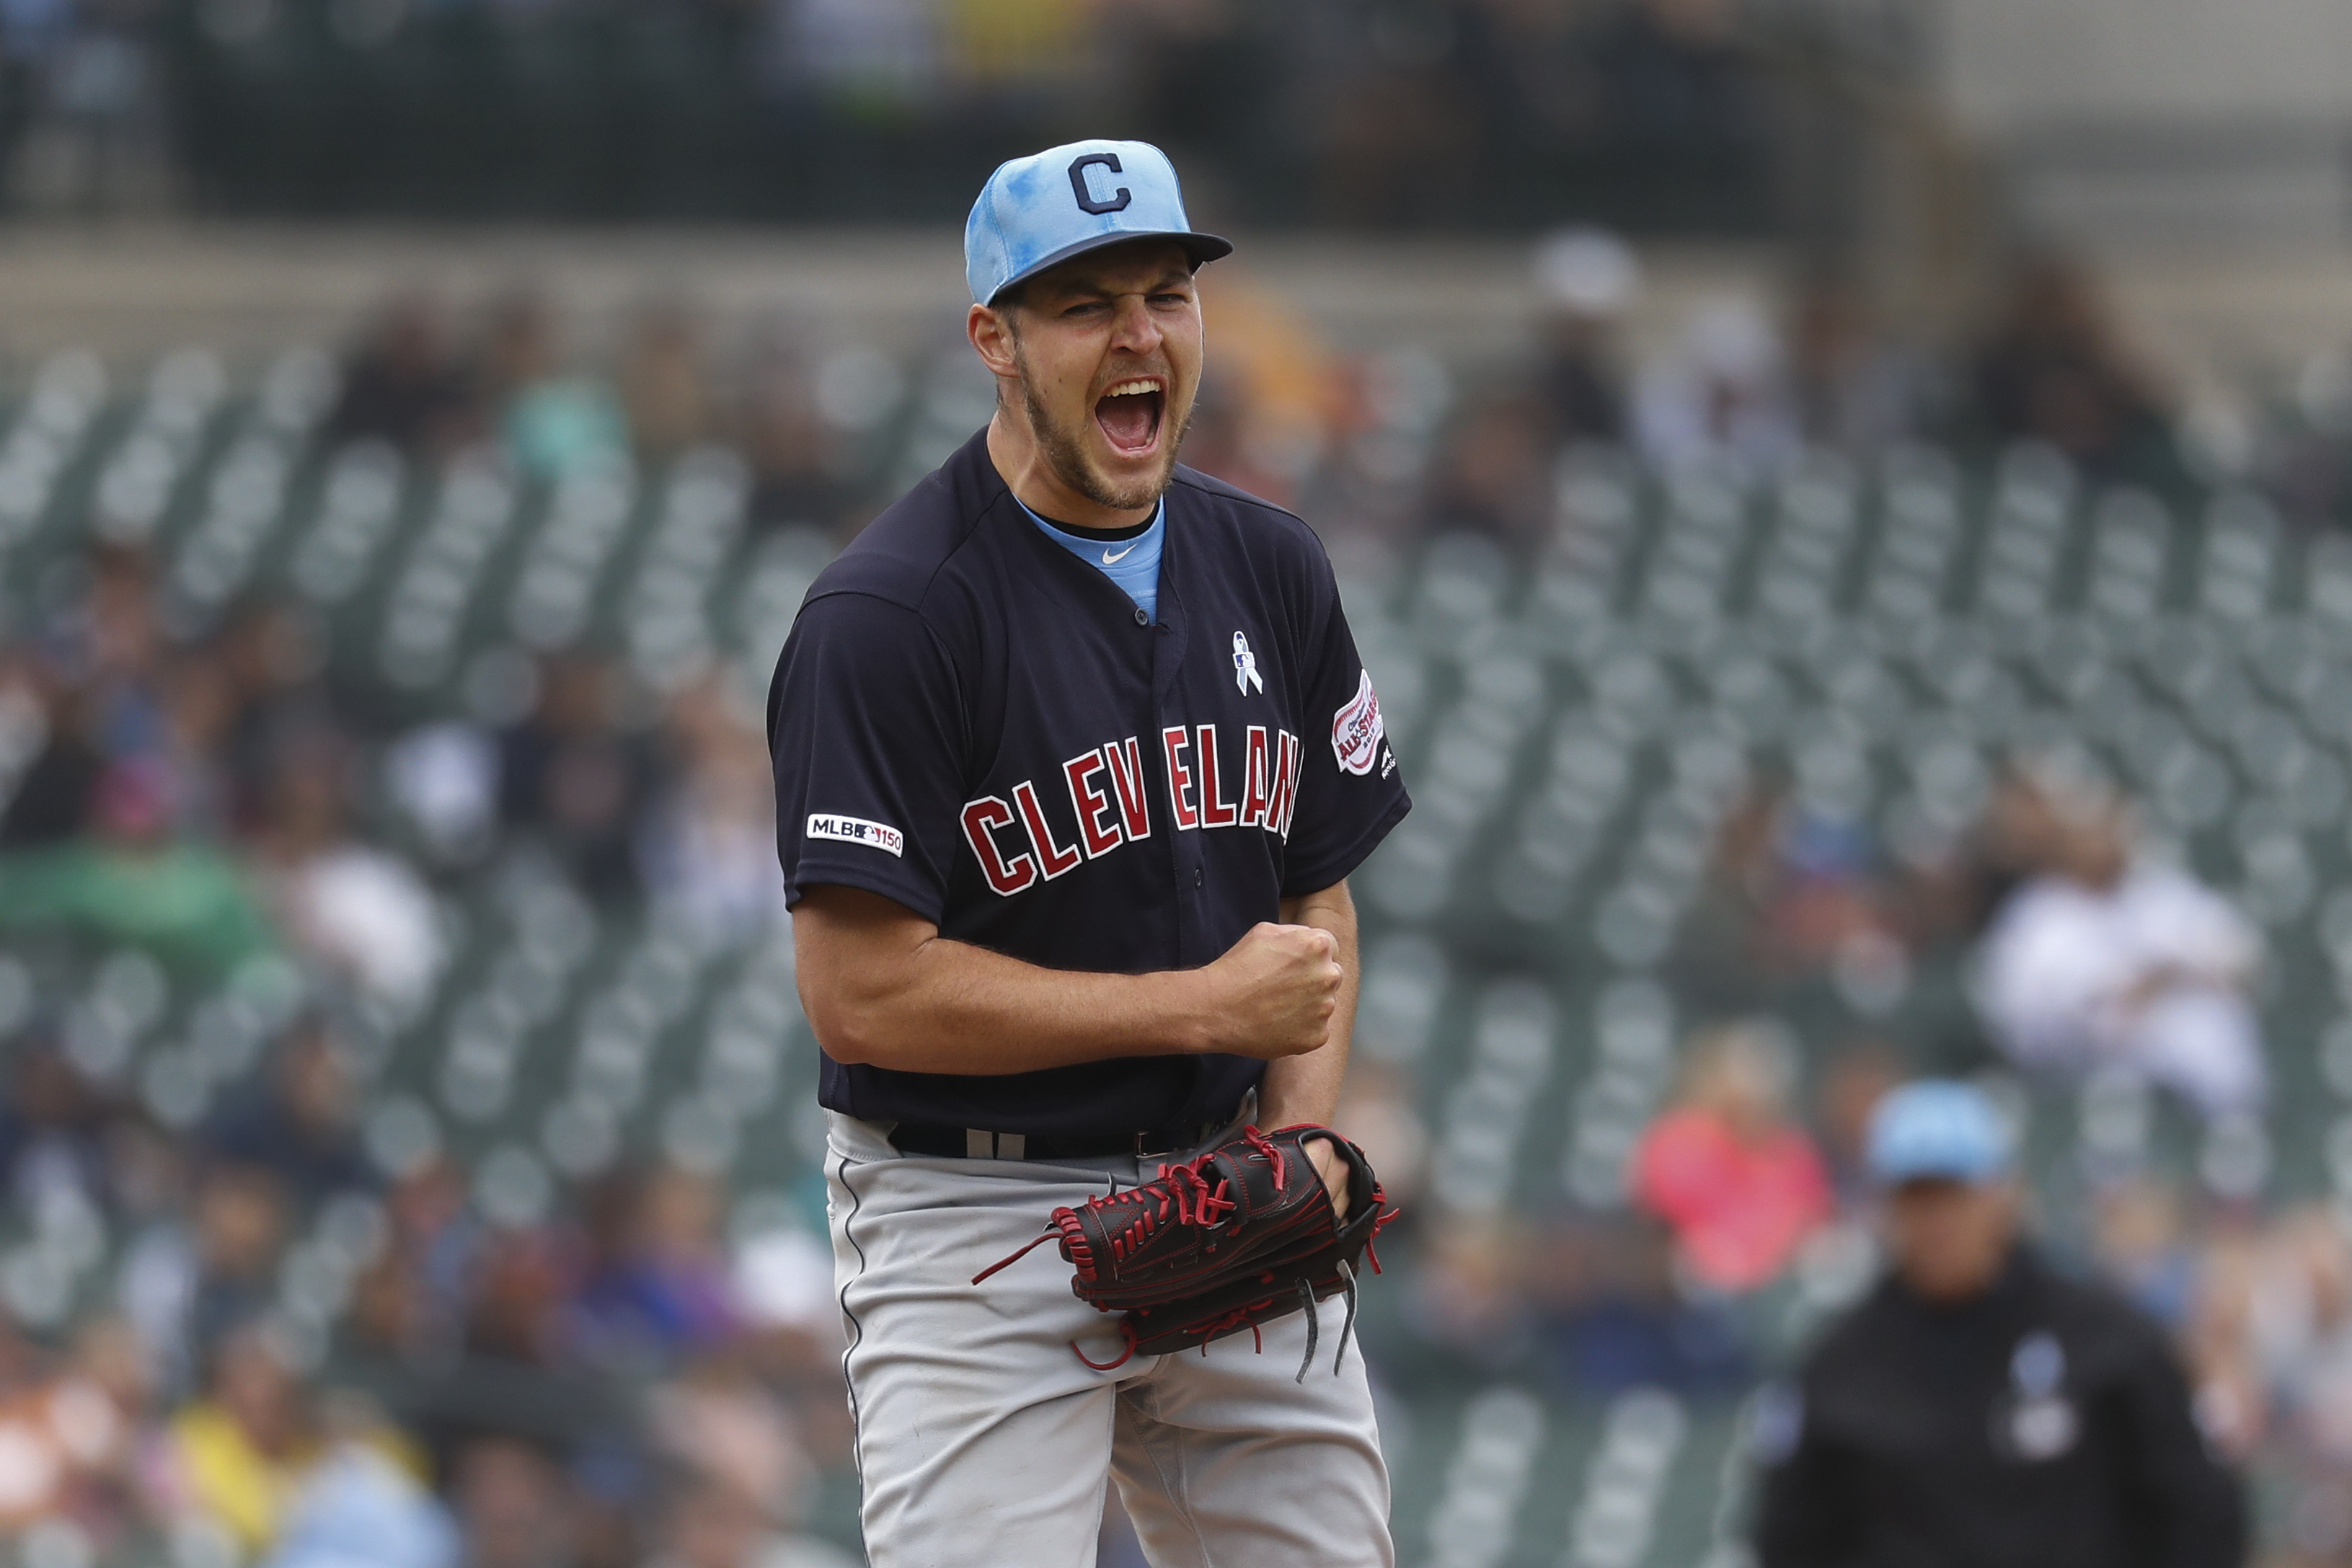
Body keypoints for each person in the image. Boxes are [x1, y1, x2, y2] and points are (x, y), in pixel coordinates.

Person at [766, 139, 1411, 1565]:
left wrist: (1302, 1126)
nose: (1137, 336)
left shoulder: (1271, 563)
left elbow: (1315, 890)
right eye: (1081, 304)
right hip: (970, 1217)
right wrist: (1197, 1009)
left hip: (1224, 1173)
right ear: (992, 339)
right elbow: (859, 994)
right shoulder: (885, 618)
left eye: (1165, 292)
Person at [1752, 1081, 2246, 1568]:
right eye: (1915, 1196)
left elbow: (2198, 1508)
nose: (1935, 1219)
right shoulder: (1841, 1370)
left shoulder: (2107, 1341)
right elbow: (1791, 1538)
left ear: (2001, 1195)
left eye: (1953, 1193)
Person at [1973, 774, 2265, 1119]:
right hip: (2094, 1090)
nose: (2104, 841)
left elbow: (2244, 958)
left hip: (2211, 1093)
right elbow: (2014, 1018)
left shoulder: (2165, 893)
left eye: (2112, 827)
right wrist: (2113, 997)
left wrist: (2172, 976)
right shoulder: (2036, 917)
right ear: (2070, 837)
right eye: (2092, 831)